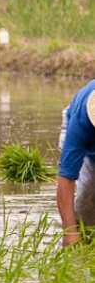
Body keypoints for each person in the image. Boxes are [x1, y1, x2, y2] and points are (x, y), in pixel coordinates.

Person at [57, 79, 95, 247]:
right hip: (78, 121)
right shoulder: (80, 123)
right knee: (88, 198)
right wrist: (69, 232)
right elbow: (66, 178)